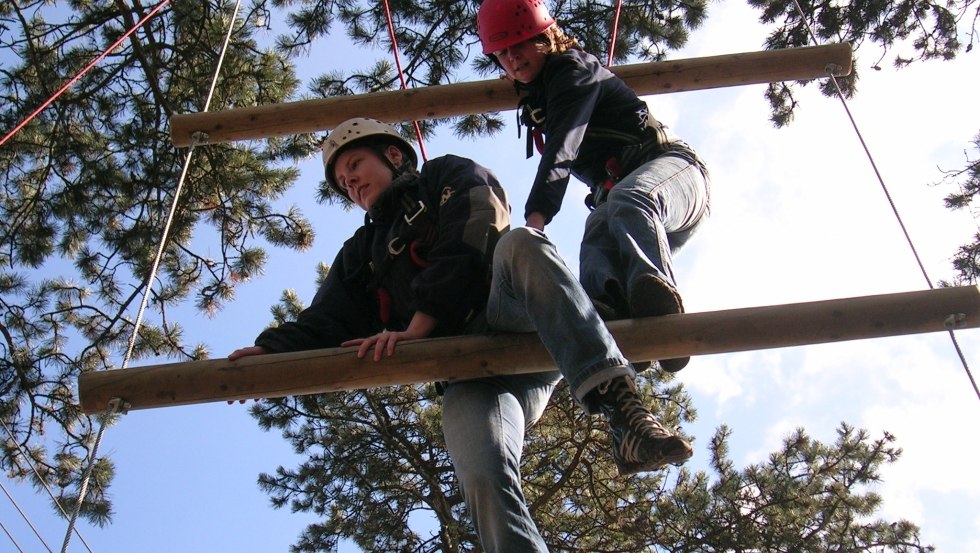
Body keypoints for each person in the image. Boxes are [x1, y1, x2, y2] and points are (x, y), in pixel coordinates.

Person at [229, 117, 692, 552]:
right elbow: (328, 318)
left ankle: (622, 413)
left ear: (393, 155)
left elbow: (475, 228)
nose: (352, 184)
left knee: (521, 244)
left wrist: (421, 323)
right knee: (483, 478)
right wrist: (272, 349)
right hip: (469, 374)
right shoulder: (362, 252)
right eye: (344, 184)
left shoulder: (445, 176)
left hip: (510, 314)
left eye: (355, 167)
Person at [476, 0, 711, 372]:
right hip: (619, 203)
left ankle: (658, 302)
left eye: (520, 45)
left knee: (631, 199)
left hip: (673, 174)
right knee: (596, 238)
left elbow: (562, 147)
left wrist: (536, 219)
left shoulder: (572, 68)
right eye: (502, 53)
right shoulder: (541, 97)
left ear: (545, 36)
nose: (512, 59)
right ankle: (615, 320)